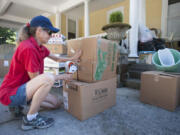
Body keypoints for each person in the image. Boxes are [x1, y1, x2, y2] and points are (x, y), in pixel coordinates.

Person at [0, 15, 81, 130]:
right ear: (39, 31)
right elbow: (37, 79)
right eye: (49, 32)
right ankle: (30, 119)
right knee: (48, 78)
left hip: (25, 89)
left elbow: (57, 59)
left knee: (56, 104)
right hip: (11, 93)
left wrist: (72, 58)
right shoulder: (28, 48)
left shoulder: (41, 48)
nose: (51, 36)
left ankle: (20, 105)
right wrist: (63, 76)